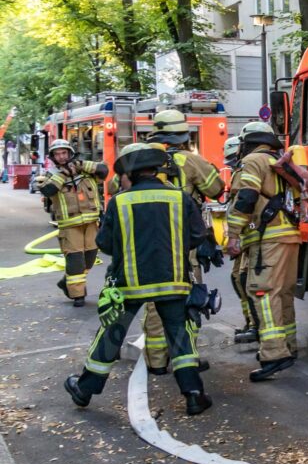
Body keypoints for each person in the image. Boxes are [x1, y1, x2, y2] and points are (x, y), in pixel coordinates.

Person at [63, 143, 212, 415]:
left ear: (129, 174)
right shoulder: (180, 198)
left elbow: (104, 243)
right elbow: (198, 235)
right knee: (180, 336)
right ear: (155, 170)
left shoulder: (120, 202)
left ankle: (84, 390)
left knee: (111, 334)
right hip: (173, 282)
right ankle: (193, 395)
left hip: (129, 284)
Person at [137, 110, 224, 375]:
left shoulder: (139, 161)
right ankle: (186, 359)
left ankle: (156, 360)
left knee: (154, 300)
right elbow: (217, 189)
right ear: (184, 136)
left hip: (149, 243)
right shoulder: (190, 160)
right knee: (187, 298)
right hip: (184, 243)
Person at [225, 122, 302, 381]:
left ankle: (273, 354)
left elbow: (246, 198)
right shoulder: (282, 162)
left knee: (262, 292)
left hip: (267, 238)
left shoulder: (253, 161)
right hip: (290, 236)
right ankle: (288, 345)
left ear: (247, 142)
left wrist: (233, 235)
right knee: (283, 293)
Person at [39, 139, 107, 306]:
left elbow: (104, 171)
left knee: (90, 258)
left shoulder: (84, 170)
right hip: (69, 226)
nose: (61, 157)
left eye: (64, 153)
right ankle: (78, 295)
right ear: (53, 157)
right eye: (57, 154)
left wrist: (80, 165)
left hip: (91, 222)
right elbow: (47, 190)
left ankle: (66, 281)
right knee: (76, 260)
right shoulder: (49, 175)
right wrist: (63, 174)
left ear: (70, 153)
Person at [223, 135, 260, 344]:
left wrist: (234, 236)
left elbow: (244, 203)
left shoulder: (247, 169)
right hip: (244, 234)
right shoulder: (241, 169)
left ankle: (256, 325)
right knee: (238, 278)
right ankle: (250, 322)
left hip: (249, 233)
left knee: (245, 279)